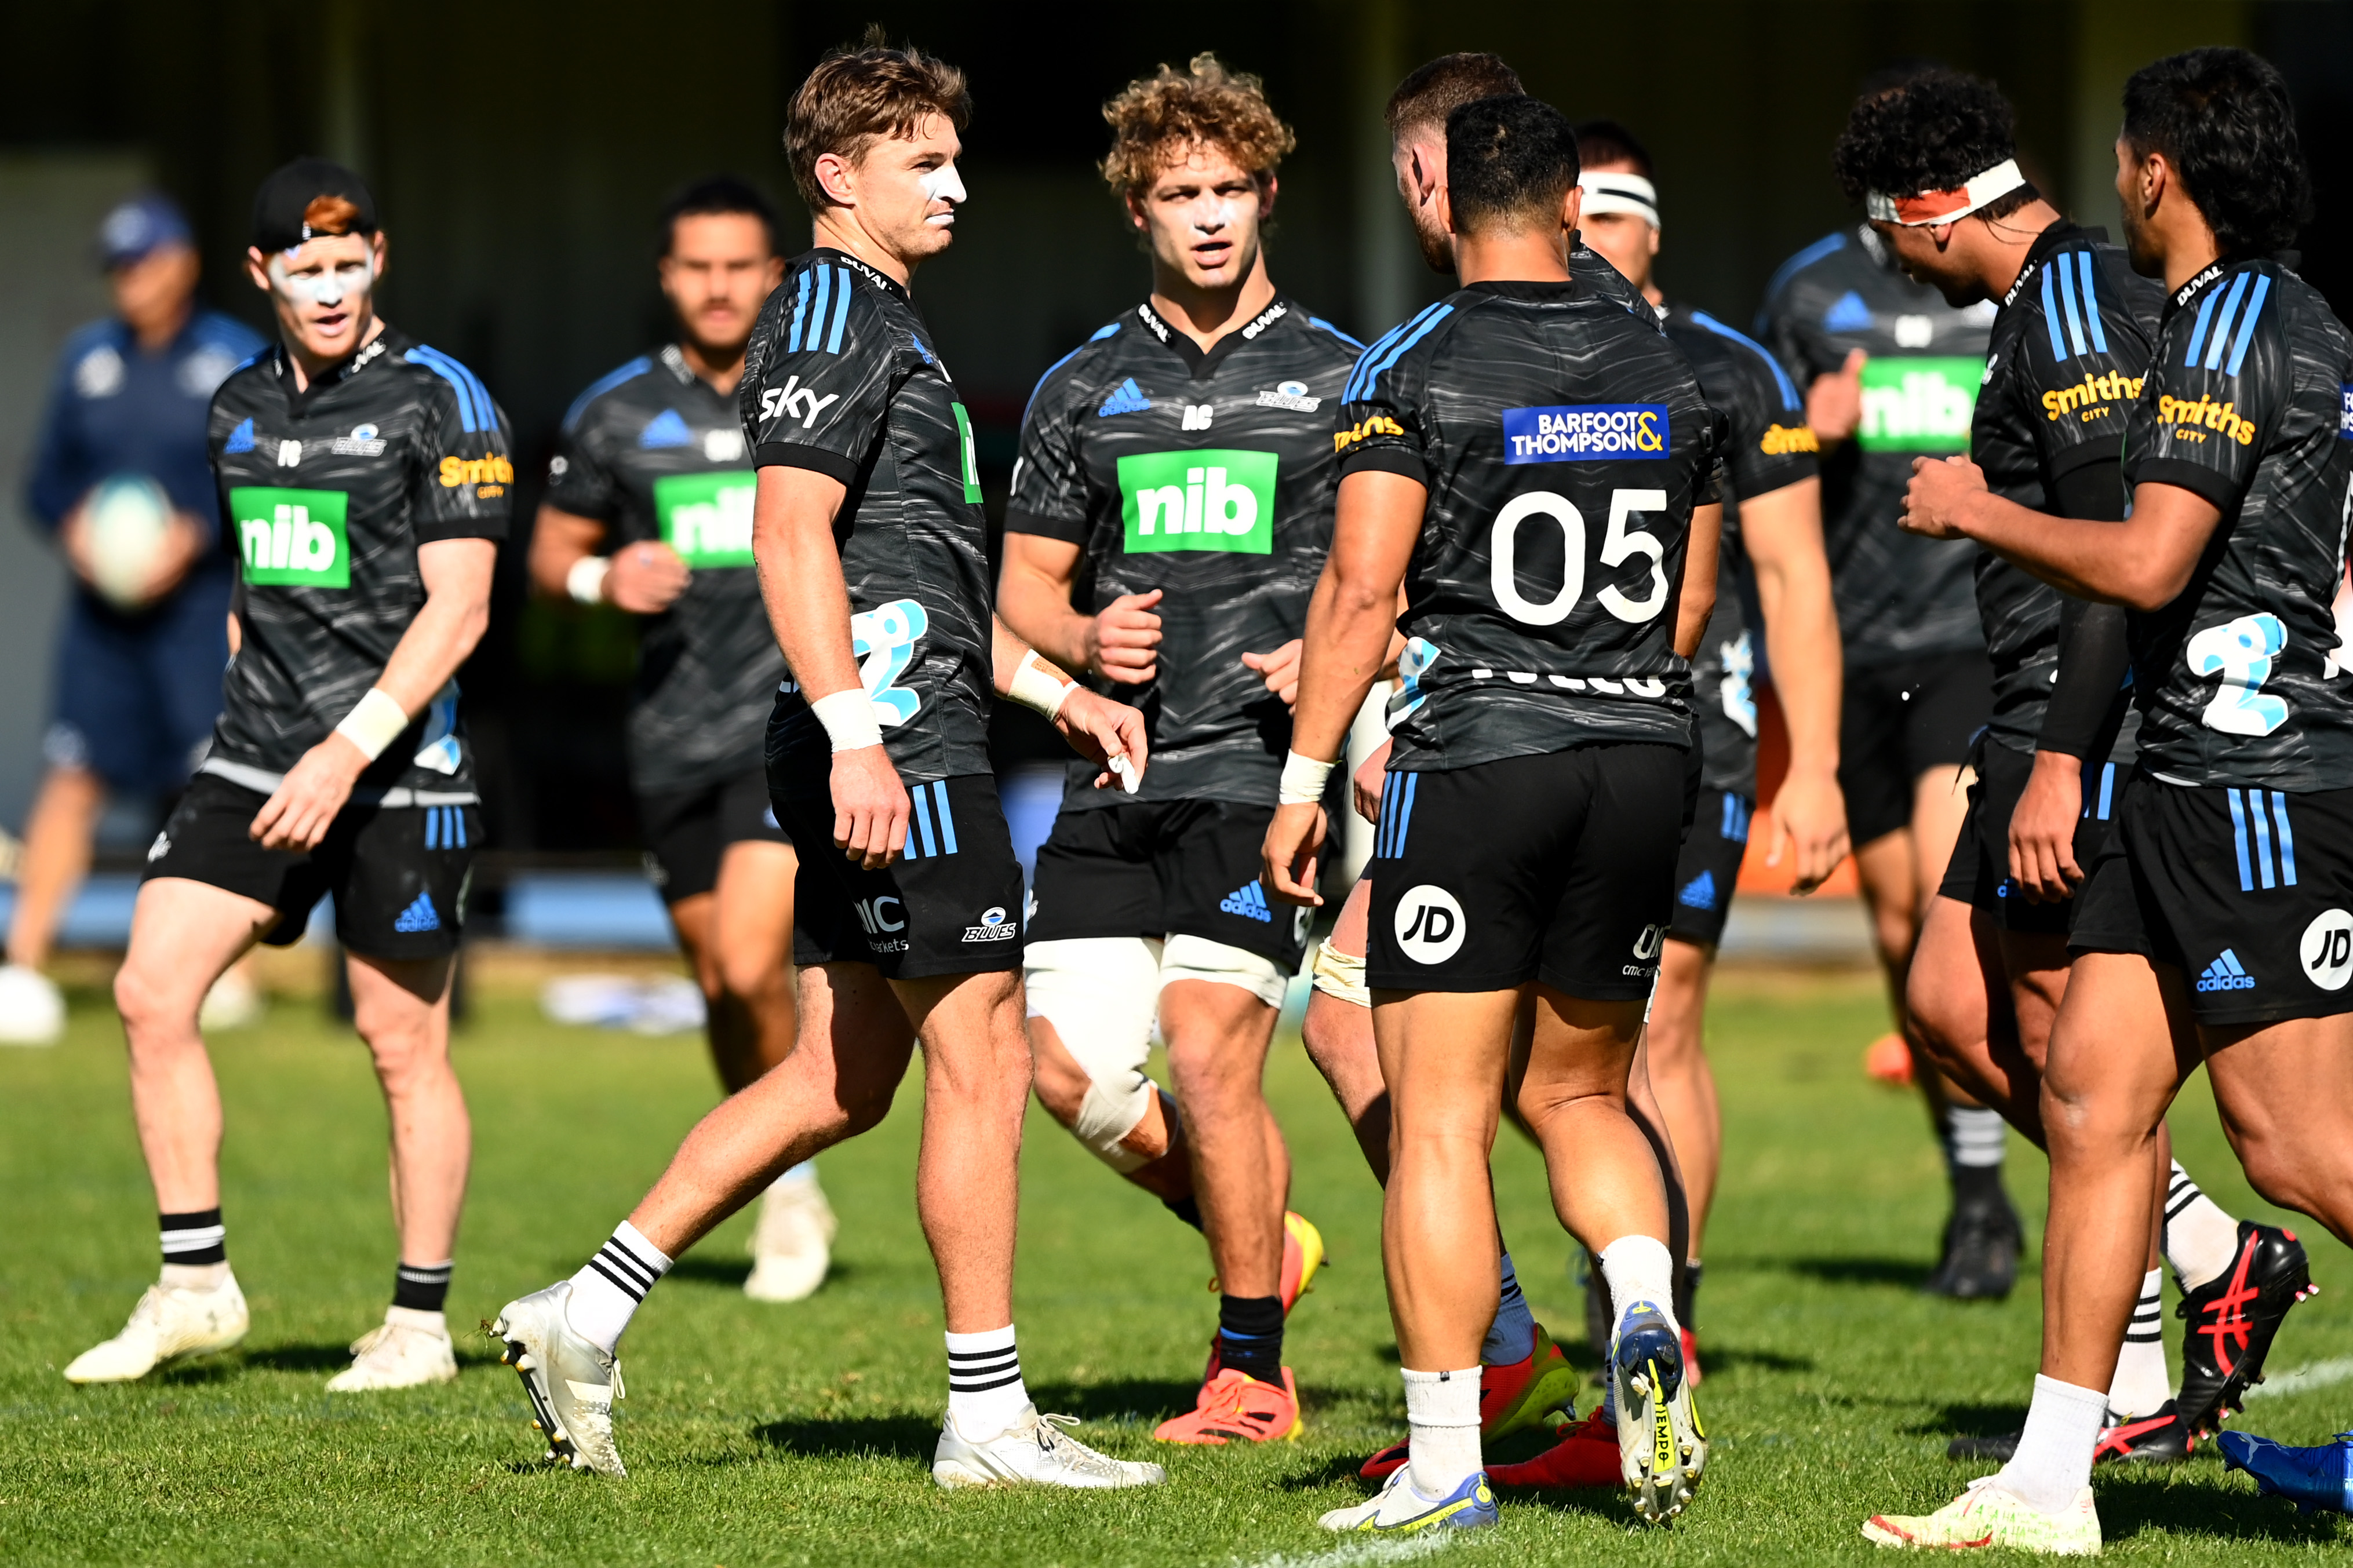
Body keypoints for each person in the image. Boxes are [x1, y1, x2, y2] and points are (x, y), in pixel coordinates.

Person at [490, 35, 1163, 1492]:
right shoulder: (834, 313)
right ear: (838, 176)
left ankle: (581, 1315)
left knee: (837, 1078)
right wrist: (860, 736)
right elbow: (786, 530)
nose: (958, 186)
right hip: (895, 747)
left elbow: (912, 571)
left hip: (897, 728)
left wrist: (1052, 687)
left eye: (957, 159)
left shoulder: (873, 316)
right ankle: (986, 1420)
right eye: (926, 162)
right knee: (983, 1055)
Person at [1866, 48, 2351, 1553]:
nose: (2115, 188)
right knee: (2087, 1096)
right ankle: (2045, 1483)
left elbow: (2142, 563)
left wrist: (1973, 509)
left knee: (2293, 1149)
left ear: (2154, 173)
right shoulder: (2250, 313)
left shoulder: (2233, 323)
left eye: (2124, 162)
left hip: (2252, 784)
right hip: (2177, 772)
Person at [1267, 93, 1724, 1531]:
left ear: (1444, 202)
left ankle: (1442, 1464)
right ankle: (1642, 1305)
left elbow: (1359, 591)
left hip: (1481, 757)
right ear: (1572, 205)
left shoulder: (1415, 360)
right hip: (1643, 753)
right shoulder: (1666, 361)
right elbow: (1692, 594)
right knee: (1581, 1093)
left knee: (1441, 1122)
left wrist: (1302, 777)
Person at [62, 159, 508, 1391]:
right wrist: (255, 708)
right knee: (151, 990)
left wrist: (347, 746)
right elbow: (254, 584)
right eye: (305, 268)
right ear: (261, 272)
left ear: (380, 259)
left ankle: (417, 1327)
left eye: (349, 263)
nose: (330, 288)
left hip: (400, 765)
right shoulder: (236, 407)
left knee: (399, 1041)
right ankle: (195, 1286)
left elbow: (462, 609)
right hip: (257, 756)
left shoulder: (444, 399)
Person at [999, 53, 1351, 1447]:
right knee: (1062, 1073)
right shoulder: (1082, 386)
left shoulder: (1344, 378)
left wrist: (1348, 657)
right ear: (1135, 210)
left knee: (1209, 1050)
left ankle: (1247, 1370)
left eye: (1227, 189)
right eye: (1175, 193)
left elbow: (1411, 579)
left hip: (1262, 780)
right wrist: (1081, 639)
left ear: (1266, 196)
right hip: (1116, 781)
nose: (1206, 216)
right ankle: (1265, 1239)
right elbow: (1022, 593)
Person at [1571, 117, 1849, 1376]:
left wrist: (1815, 768)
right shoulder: (1512, 355)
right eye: (1570, 212)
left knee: (1665, 1017)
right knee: (1545, 1041)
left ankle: (1659, 1311)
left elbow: (1792, 579)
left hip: (1699, 740)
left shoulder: (1732, 370)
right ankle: (1614, 1238)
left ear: (1654, 233)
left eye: (1611, 214)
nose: (1588, 236)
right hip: (1538, 736)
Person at [531, 177, 834, 1304]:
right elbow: (548, 556)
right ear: (667, 278)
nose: (718, 286)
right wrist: (604, 577)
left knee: (755, 963)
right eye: (697, 267)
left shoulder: (816, 395)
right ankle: (779, 1175)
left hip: (786, 727)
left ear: (776, 276)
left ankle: (792, 1190)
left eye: (739, 266)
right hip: (667, 737)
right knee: (717, 983)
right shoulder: (614, 413)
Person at [1758, 72, 2015, 1298]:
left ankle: (2006, 1189)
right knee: (1904, 937)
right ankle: (1975, 1188)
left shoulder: (2001, 290)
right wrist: (1812, 429)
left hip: (1969, 637)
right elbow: (1760, 473)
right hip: (1852, 652)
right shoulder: (1810, 295)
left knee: (1939, 896)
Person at [1, 195, 267, 1045]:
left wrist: (197, 533)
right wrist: (74, 523)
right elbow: (44, 480)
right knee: (71, 777)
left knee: (210, 784)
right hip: (103, 621)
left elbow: (274, 477)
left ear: (183, 263)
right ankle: (23, 965)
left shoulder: (232, 357)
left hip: (198, 613)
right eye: (117, 268)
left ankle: (230, 973)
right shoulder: (89, 360)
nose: (130, 281)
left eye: (143, 263)